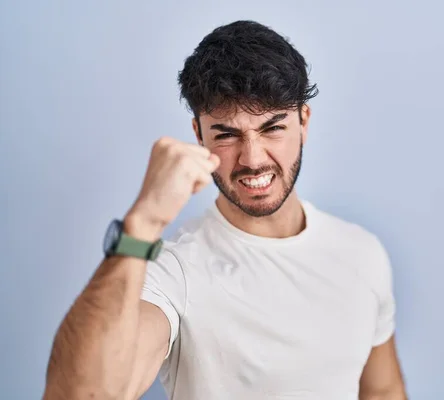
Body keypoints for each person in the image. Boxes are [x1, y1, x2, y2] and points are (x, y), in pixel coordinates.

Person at [43, 20, 408, 400]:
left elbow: (383, 390)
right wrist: (142, 224)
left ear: (304, 121)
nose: (252, 159)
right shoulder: (175, 271)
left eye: (272, 128)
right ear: (198, 135)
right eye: (227, 134)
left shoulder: (361, 251)